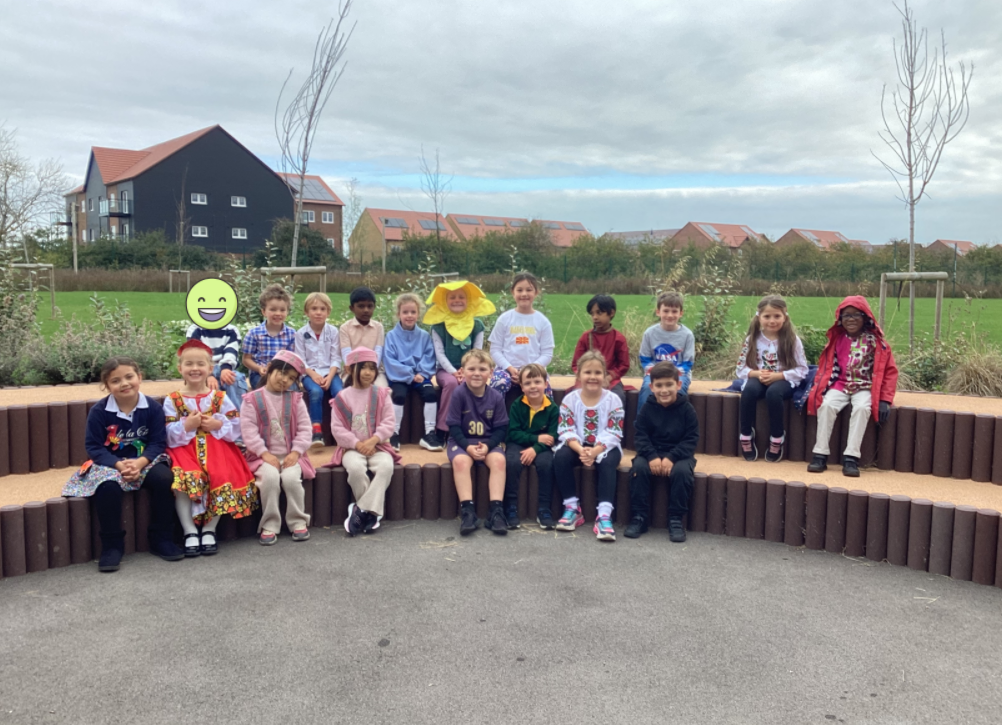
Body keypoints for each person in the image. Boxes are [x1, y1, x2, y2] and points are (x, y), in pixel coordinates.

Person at [62, 357, 184, 572]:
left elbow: (157, 442)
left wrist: (140, 463)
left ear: (140, 377)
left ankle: (161, 537)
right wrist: (119, 465)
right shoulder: (99, 412)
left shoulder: (153, 408)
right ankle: (112, 545)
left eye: (129, 377)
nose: (124, 383)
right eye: (115, 380)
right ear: (107, 385)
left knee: (164, 478)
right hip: (110, 464)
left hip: (145, 460)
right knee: (107, 488)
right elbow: (94, 447)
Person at [166, 339, 258, 557]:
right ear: (180, 368)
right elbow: (167, 433)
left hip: (218, 449)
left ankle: (209, 529)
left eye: (200, 364)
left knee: (220, 475)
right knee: (185, 478)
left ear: (210, 369)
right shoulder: (173, 400)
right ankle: (189, 530)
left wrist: (217, 425)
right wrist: (186, 425)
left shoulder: (219, 398)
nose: (195, 368)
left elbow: (236, 425)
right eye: (189, 364)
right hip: (185, 450)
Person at [807, 296, 898, 477]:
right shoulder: (837, 340)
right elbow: (826, 367)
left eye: (856, 315)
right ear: (840, 319)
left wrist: (885, 400)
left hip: (865, 386)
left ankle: (851, 457)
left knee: (862, 408)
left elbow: (889, 372)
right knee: (826, 405)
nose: (851, 319)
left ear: (866, 317)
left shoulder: (876, 343)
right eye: (846, 315)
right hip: (840, 384)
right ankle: (820, 454)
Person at [240, 350, 315, 545]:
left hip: (291, 455)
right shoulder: (251, 400)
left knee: (291, 479)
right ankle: (270, 524)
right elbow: (249, 431)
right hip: (262, 457)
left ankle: (298, 521)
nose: (285, 380)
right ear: (269, 369)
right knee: (270, 479)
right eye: (282, 373)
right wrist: (264, 453)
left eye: (291, 378)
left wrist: (296, 452)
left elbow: (305, 429)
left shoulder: (296, 399)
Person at [552, 351, 625, 541]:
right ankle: (572, 508)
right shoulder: (570, 399)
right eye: (587, 372)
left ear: (605, 375)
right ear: (578, 375)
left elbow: (614, 431)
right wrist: (581, 450)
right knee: (561, 457)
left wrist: (596, 451)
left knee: (608, 463)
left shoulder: (613, 400)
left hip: (605, 446)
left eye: (598, 372)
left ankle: (604, 516)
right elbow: (565, 429)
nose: (593, 377)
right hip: (578, 445)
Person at [330, 347, 401, 536]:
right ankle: (372, 514)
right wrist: (357, 444)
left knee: (386, 466)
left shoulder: (381, 394)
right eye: (363, 367)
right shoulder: (342, 397)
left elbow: (389, 422)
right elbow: (337, 429)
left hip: (378, 446)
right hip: (351, 448)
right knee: (355, 469)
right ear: (350, 369)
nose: (368, 372)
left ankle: (360, 510)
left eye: (372, 368)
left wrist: (373, 440)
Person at [626, 361, 699, 543]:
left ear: (679, 385)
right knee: (639, 469)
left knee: (682, 473)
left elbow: (691, 439)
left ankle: (675, 519)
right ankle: (639, 517)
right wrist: (651, 456)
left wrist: (671, 457)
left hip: (679, 454)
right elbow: (640, 436)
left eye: (669, 385)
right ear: (651, 387)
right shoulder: (647, 408)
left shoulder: (687, 410)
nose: (664, 390)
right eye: (659, 385)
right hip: (651, 452)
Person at [736, 295, 809, 463]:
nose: (772, 321)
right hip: (759, 377)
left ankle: (777, 436)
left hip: (784, 379)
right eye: (767, 316)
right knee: (749, 391)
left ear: (785, 317)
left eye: (777, 316)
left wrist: (779, 376)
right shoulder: (752, 340)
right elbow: (740, 368)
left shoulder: (792, 340)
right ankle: (746, 434)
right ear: (759, 317)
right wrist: (756, 374)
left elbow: (802, 369)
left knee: (773, 393)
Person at [423, 279, 496, 445]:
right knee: (451, 384)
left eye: (461, 297)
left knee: (473, 384)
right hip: (445, 370)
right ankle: (442, 430)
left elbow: (476, 352)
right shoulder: (438, 326)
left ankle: (472, 429)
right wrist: (454, 372)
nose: (457, 300)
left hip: (470, 368)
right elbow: (440, 354)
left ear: (468, 300)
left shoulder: (477, 325)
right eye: (452, 297)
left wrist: (467, 371)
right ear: (445, 301)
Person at [446, 349, 509, 536]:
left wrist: (488, 446)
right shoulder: (458, 394)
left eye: (482, 369)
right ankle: (468, 511)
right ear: (462, 371)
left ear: (491, 373)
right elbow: (453, 426)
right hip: (462, 441)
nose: (476, 373)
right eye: (471, 369)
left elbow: (501, 429)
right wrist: (467, 447)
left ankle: (496, 511)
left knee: (499, 461)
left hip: (488, 441)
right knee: (460, 462)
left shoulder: (496, 397)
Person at [384, 292, 442, 452]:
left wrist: (422, 374)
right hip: (400, 377)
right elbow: (390, 360)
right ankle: (393, 433)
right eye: (405, 312)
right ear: (398, 314)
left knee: (430, 393)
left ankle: (429, 433)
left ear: (418, 314)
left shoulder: (424, 336)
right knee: (398, 395)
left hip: (420, 376)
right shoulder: (391, 336)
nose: (409, 315)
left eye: (413, 312)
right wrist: (409, 375)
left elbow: (429, 356)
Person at [504, 363, 559, 530]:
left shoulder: (552, 408)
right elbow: (513, 433)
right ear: (521, 387)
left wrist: (535, 449)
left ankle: (544, 508)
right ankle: (511, 507)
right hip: (518, 442)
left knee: (546, 463)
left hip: (541, 447)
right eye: (528, 383)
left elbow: (553, 437)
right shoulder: (517, 405)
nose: (533, 386)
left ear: (546, 384)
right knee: (512, 462)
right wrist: (535, 438)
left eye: (537, 382)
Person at [487, 272, 554, 398]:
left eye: (529, 290)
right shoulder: (504, 319)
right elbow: (495, 350)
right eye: (519, 290)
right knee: (499, 383)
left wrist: (528, 370)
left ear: (536, 292)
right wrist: (509, 368)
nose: (524, 294)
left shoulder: (543, 322)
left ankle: (545, 412)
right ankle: (495, 412)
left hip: (535, 370)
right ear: (513, 292)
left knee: (544, 388)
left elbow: (547, 354)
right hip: (506, 369)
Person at [294, 291, 343, 448]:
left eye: (323, 309)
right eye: (314, 309)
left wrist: (330, 377)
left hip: (330, 372)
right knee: (315, 392)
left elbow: (336, 357)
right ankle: (317, 431)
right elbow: (300, 360)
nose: (318, 312)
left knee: (340, 393)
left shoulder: (333, 332)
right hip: (309, 373)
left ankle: (342, 428)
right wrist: (313, 375)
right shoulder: (301, 334)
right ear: (306, 312)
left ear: (328, 312)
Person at [638, 291, 695, 413]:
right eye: (666, 311)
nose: (670, 315)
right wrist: (655, 372)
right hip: (654, 374)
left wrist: (673, 374)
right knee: (647, 389)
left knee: (678, 390)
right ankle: (642, 421)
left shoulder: (687, 335)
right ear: (658, 312)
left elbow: (688, 363)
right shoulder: (649, 333)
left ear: (681, 313)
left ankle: (678, 421)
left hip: (679, 374)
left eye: (674, 311)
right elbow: (645, 359)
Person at [570, 294, 631, 404]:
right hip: (587, 378)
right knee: (574, 396)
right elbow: (576, 364)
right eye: (592, 314)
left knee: (618, 397)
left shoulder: (618, 338)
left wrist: (608, 378)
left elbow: (624, 365)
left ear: (611, 313)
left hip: (610, 380)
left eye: (599, 313)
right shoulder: (586, 337)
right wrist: (584, 376)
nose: (595, 317)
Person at [186, 321, 249, 412]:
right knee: (206, 385)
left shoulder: (231, 330)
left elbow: (231, 351)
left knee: (234, 379)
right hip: (203, 369)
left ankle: (237, 415)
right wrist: (208, 375)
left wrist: (226, 368)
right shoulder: (195, 329)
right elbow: (196, 355)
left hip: (225, 367)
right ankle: (212, 415)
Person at [242, 284, 296, 389]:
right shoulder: (254, 333)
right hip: (260, 374)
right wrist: (258, 368)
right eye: (273, 309)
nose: (278, 313)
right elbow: (246, 359)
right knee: (267, 388)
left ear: (287, 312)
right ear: (264, 312)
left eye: (282, 310)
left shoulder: (291, 334)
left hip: (283, 374)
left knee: (292, 389)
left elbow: (291, 359)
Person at [339, 286, 387, 387]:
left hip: (374, 370)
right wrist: (356, 371)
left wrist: (371, 371)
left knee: (381, 389)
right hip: (352, 370)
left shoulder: (378, 327)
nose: (366, 310)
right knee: (346, 388)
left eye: (370, 306)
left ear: (374, 307)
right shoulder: (345, 328)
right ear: (352, 308)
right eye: (361, 306)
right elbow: (347, 354)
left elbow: (378, 353)